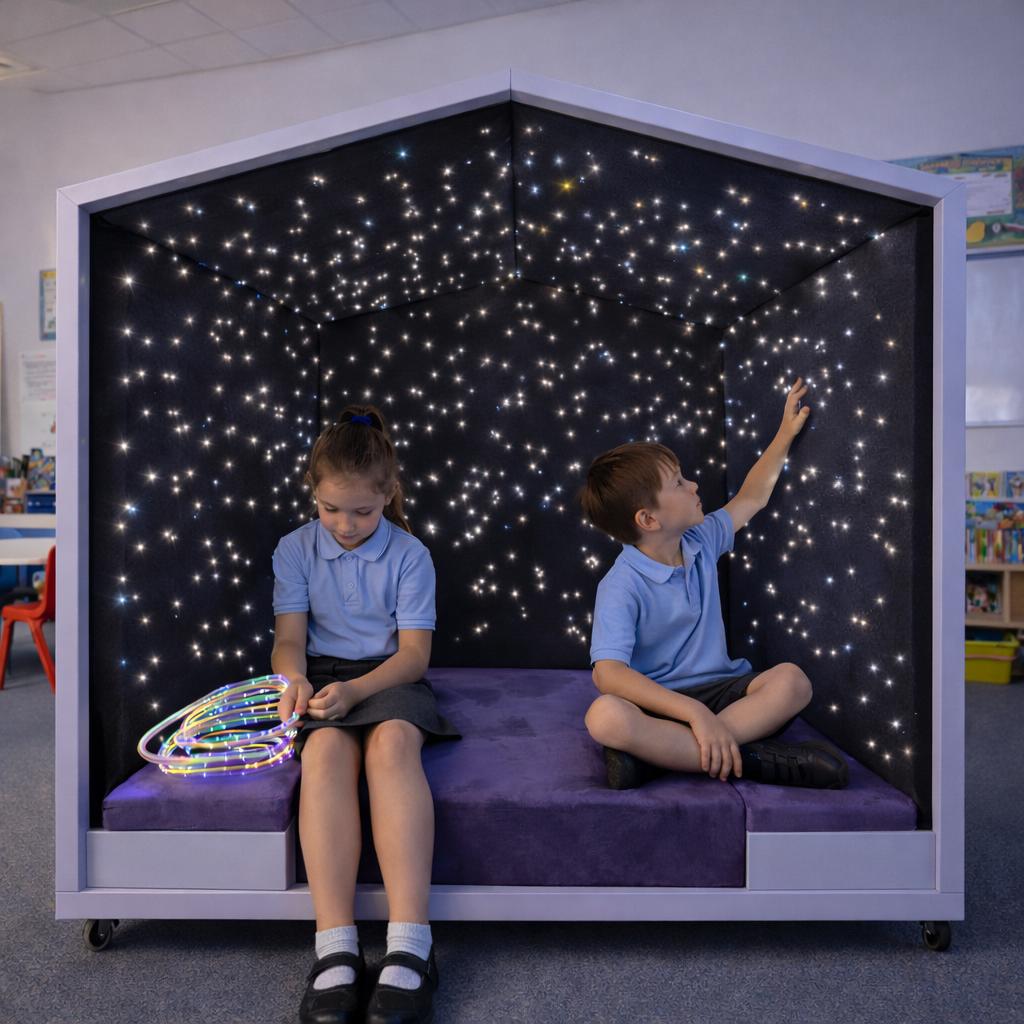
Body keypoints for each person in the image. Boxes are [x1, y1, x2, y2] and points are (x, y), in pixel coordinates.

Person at [273, 404, 459, 1024]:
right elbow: (289, 640)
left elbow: (413, 656)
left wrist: (358, 694)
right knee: (324, 754)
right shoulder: (294, 548)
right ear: (314, 496)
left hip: (388, 676)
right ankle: (336, 947)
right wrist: (292, 678)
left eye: (362, 511)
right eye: (330, 510)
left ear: (388, 495)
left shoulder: (411, 555)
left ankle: (411, 942)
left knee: (392, 748)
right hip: (324, 675)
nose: (345, 525)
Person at [578, 379, 848, 791]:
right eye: (679, 484)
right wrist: (691, 712)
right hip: (662, 701)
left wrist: (784, 434)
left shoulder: (700, 538)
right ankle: (752, 757)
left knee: (792, 682)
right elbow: (608, 675)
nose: (695, 486)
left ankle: (669, 756)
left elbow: (752, 497)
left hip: (723, 690)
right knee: (604, 716)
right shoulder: (621, 585)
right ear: (648, 520)